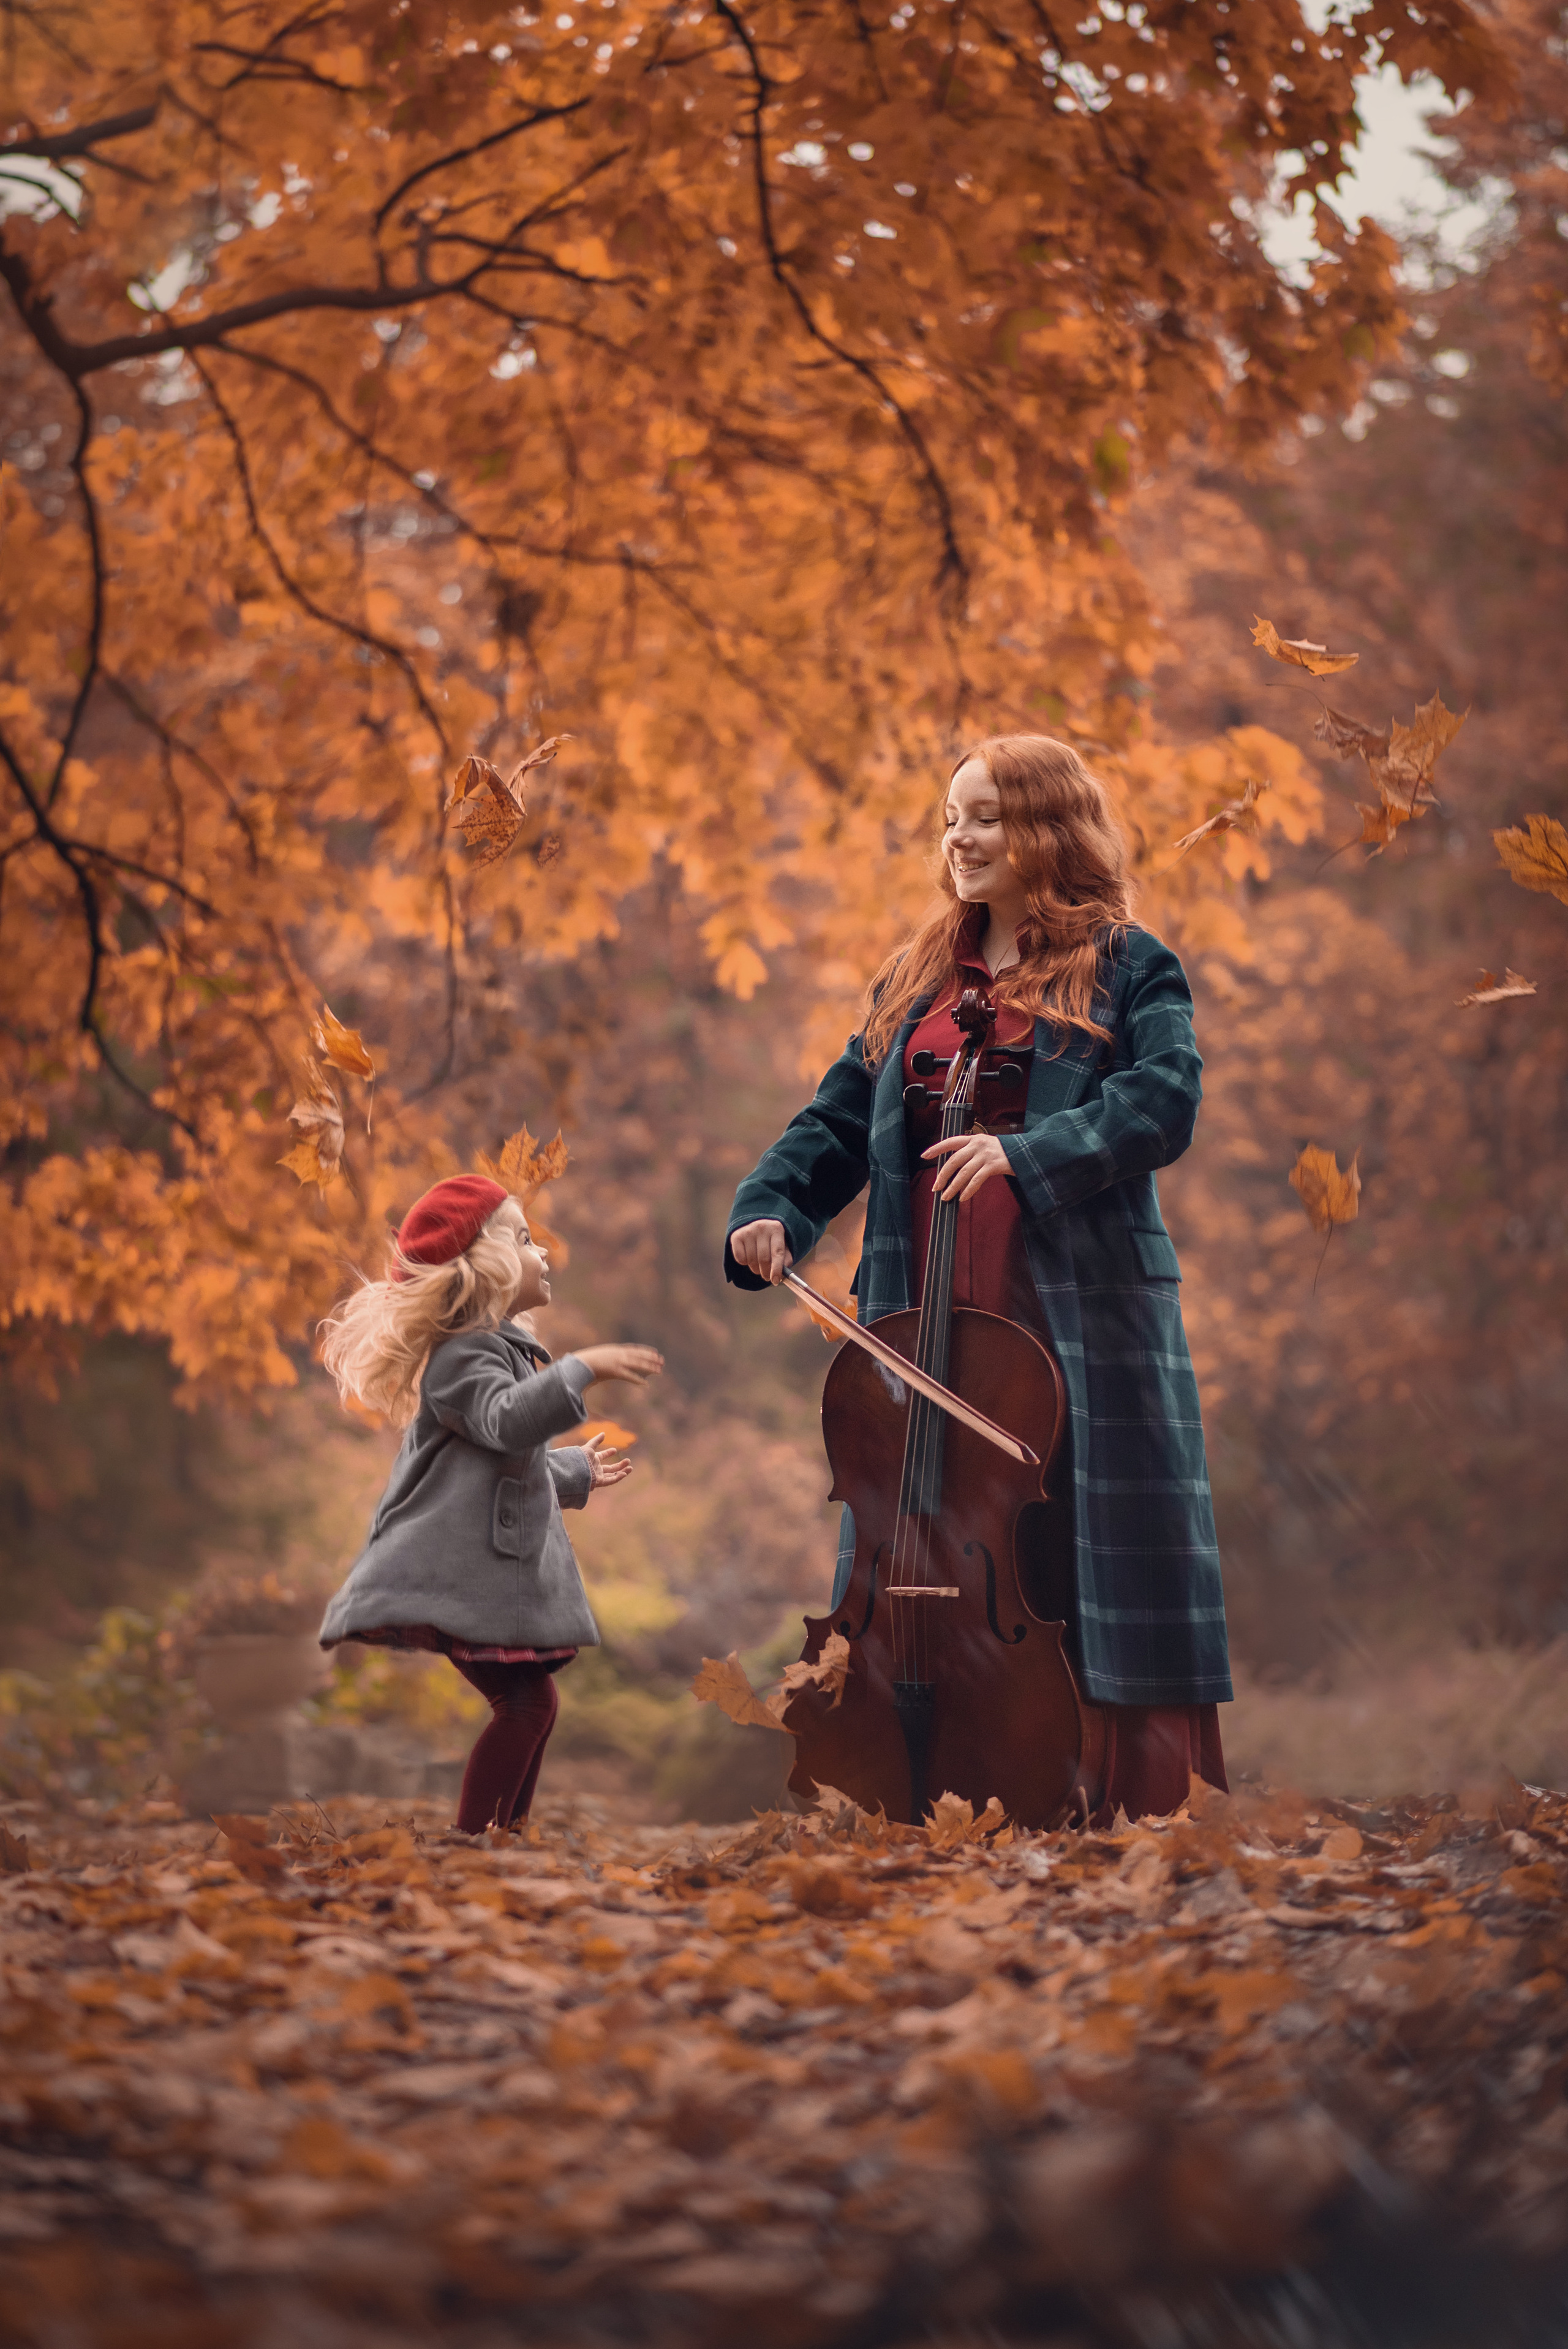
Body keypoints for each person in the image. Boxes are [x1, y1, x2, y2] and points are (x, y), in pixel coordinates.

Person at [725, 734, 1229, 1822]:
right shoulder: (914, 982)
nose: (958, 835)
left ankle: (1110, 1810)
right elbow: (833, 1124)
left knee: (1080, 1574)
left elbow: (1164, 1098)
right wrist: (770, 1208)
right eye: (950, 815)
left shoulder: (1131, 964)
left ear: (1047, 825)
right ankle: (932, 1799)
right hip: (927, 1330)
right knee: (929, 1571)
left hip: (1080, 1322)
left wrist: (1026, 1154)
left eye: (985, 814)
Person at [317, 1173, 662, 1833]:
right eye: (526, 1240)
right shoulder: (462, 1357)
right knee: (527, 1706)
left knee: (535, 1706)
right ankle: (477, 1839)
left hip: (482, 1571)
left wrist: (571, 1471)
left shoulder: (491, 1351)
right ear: (488, 1266)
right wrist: (579, 1368)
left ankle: (504, 1836)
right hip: (459, 1575)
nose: (544, 1253)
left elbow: (498, 1467)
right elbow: (504, 1423)